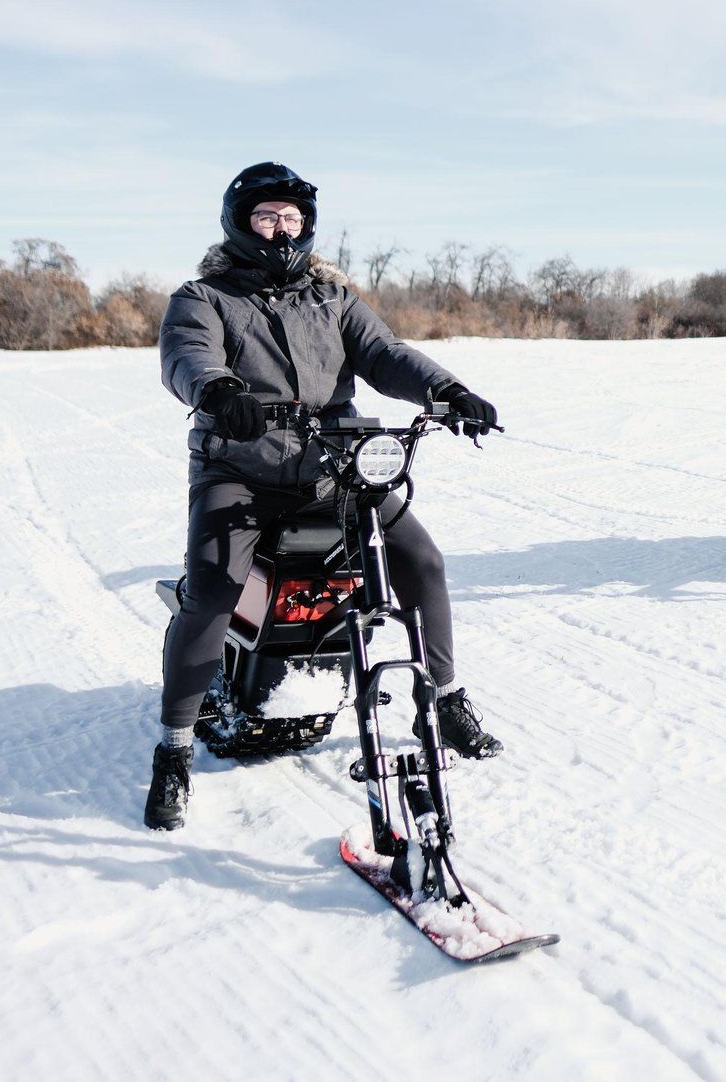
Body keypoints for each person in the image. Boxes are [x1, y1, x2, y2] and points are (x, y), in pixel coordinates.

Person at [145, 161, 502, 833]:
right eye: (265, 216)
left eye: (291, 217)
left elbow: (386, 354)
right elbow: (187, 354)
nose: (280, 228)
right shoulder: (205, 295)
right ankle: (175, 747)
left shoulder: (332, 296)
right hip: (239, 468)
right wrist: (218, 390)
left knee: (420, 561)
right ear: (239, 223)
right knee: (215, 589)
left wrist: (448, 392)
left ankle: (448, 697)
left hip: (335, 467)